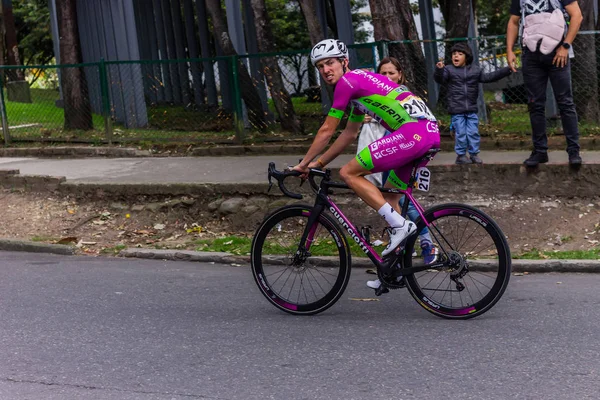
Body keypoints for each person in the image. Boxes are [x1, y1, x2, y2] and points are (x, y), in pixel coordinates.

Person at [292, 39, 440, 291]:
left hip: (412, 133)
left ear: (344, 62)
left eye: (330, 63)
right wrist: (317, 163)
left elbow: (328, 130)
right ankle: (394, 271)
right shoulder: (359, 84)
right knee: (391, 200)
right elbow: (348, 134)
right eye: (320, 66)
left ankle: (402, 228)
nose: (326, 70)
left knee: (349, 173)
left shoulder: (347, 83)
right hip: (429, 133)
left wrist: (303, 164)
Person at [356, 57, 438, 265]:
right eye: (382, 73)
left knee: (404, 201)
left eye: (391, 73)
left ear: (400, 74)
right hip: (383, 153)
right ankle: (401, 250)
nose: (387, 77)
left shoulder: (406, 96)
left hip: (404, 150)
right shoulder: (374, 95)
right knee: (392, 199)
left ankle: (427, 242)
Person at [506, 0, 583, 166]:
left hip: (558, 52)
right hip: (531, 55)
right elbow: (513, 21)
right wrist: (510, 50)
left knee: (565, 102)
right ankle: (540, 151)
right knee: (535, 104)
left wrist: (565, 46)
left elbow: (577, 16)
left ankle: (573, 151)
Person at [434, 42, 512, 164]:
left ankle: (474, 154)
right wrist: (439, 70)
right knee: (461, 133)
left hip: (471, 109)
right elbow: (439, 79)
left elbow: (489, 77)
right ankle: (460, 156)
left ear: (467, 57)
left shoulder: (475, 70)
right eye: (454, 54)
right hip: (456, 110)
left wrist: (507, 70)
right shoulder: (448, 70)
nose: (456, 56)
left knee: (473, 132)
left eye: (460, 54)